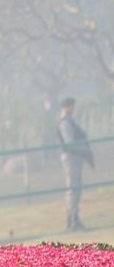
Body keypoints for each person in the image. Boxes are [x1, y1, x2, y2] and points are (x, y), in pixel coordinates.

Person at [57, 97, 94, 231]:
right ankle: (73, 220)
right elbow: (70, 143)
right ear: (66, 107)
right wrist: (84, 150)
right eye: (71, 106)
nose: (73, 109)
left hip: (75, 158)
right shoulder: (65, 123)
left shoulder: (69, 121)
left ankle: (74, 218)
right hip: (71, 158)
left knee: (76, 189)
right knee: (73, 189)